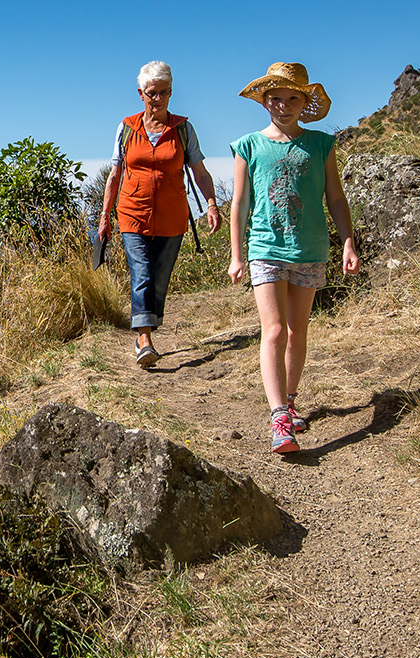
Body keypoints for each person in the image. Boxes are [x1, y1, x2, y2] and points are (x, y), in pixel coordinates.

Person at [228, 62, 360, 453]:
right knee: (274, 330)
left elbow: (335, 198)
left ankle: (288, 400)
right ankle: (278, 418)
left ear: (304, 102)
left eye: (292, 98)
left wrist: (348, 241)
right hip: (265, 249)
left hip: (311, 249)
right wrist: (237, 255)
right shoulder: (248, 146)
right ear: (264, 102)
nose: (283, 106)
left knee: (297, 333)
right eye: (275, 99)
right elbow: (239, 205)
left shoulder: (322, 145)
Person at [98, 60, 221, 368]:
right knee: (141, 273)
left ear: (171, 92)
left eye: (164, 93)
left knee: (159, 277)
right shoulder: (126, 128)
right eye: (152, 93)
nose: (158, 99)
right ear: (141, 93)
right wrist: (105, 214)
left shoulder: (182, 129)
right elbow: (114, 175)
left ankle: (149, 323)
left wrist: (211, 203)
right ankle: (144, 339)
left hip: (172, 216)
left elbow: (200, 172)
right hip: (132, 213)